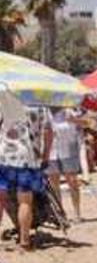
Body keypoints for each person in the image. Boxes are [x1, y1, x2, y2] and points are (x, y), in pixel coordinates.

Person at [0, 106, 53, 250]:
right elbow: (48, 133)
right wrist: (46, 156)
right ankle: (24, 241)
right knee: (25, 201)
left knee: (1, 198)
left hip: (3, 155)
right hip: (28, 158)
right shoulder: (41, 106)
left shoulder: (5, 101)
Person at [46, 107, 84, 222]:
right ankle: (60, 213)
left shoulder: (69, 112)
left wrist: (75, 121)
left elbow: (89, 123)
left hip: (68, 150)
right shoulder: (45, 113)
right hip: (51, 152)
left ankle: (77, 213)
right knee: (54, 184)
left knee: (72, 182)